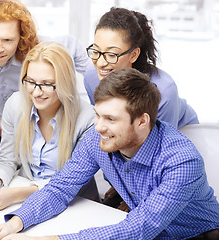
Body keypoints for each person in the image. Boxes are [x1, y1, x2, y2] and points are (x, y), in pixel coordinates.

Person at [0, 68, 219, 240]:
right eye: (98, 115)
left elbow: (141, 228)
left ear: (142, 121)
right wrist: (16, 223)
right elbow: (61, 187)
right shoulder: (99, 139)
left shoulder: (182, 160)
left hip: (198, 235)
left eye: (110, 119)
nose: (98, 127)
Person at [83, 7, 199, 210]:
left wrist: (133, 200)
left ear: (134, 54)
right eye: (96, 51)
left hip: (180, 131)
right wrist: (120, 185)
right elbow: (114, 128)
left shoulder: (164, 91)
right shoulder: (92, 77)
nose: (101, 62)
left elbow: (154, 150)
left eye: (111, 54)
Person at [0, 42, 96, 211]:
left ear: (65, 83)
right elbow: (6, 159)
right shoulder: (16, 104)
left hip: (75, 205)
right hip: (27, 200)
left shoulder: (89, 119)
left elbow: (70, 181)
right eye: (30, 81)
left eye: (47, 84)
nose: (36, 92)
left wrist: (15, 195)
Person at [0, 0, 90, 140]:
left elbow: (72, 45)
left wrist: (98, 99)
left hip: (40, 123)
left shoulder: (38, 47)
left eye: (8, 40)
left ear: (21, 38)